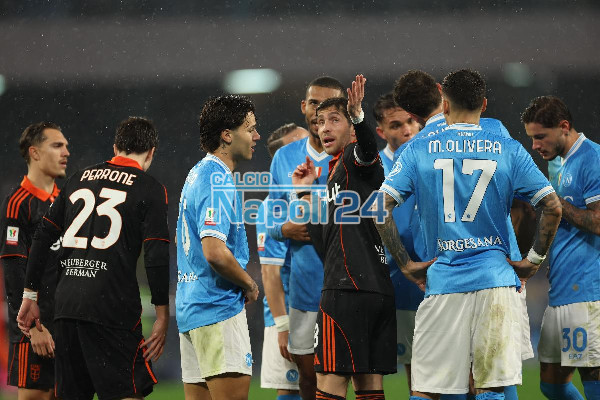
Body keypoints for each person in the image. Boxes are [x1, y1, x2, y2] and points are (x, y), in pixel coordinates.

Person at [377, 69, 562, 400]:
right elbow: (549, 207)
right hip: (497, 278)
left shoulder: (416, 148)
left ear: (445, 103)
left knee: (426, 389)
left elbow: (381, 208)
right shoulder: (504, 142)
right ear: (484, 104)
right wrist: (531, 261)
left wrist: (406, 265)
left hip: (443, 280)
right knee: (493, 385)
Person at [16, 117, 170, 400]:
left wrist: (30, 294)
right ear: (151, 152)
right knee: (126, 393)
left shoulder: (78, 179)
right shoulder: (150, 188)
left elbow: (42, 236)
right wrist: (162, 314)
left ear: (115, 147)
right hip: (112, 307)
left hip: (67, 306)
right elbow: (156, 253)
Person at [292, 75, 396, 400]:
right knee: (368, 386)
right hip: (375, 288)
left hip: (346, 290)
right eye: (320, 121)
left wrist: (359, 116)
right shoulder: (338, 174)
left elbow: (368, 149)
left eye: (334, 120)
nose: (324, 128)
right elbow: (325, 242)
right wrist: (305, 194)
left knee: (328, 380)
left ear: (351, 128)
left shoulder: (354, 159)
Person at [175, 95, 260, 400]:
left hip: (192, 308)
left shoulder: (197, 173)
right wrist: (249, 284)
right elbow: (214, 251)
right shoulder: (217, 179)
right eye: (250, 129)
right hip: (216, 309)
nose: (256, 136)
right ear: (227, 135)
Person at [268, 76, 345, 400]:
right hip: (304, 289)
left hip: (346, 287)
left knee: (350, 378)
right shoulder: (284, 158)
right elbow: (271, 220)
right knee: (308, 381)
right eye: (314, 103)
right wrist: (284, 229)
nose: (319, 112)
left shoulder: (352, 157)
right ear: (304, 107)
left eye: (329, 106)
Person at [523, 96, 600, 400]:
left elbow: (598, 222)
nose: (534, 145)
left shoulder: (592, 158)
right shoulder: (557, 163)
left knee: (592, 378)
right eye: (531, 137)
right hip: (562, 288)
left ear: (564, 127)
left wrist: (555, 202)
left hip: (588, 290)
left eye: (540, 136)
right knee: (551, 385)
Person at [0, 122, 69, 399]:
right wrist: (32, 330)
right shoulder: (18, 203)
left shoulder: (65, 201)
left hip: (64, 325)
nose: (66, 152)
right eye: (57, 145)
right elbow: (14, 271)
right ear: (35, 153)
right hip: (36, 330)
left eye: (66, 146)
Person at [373, 93, 425, 392]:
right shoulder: (373, 168)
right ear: (381, 131)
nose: (407, 130)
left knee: (465, 371)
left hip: (442, 273)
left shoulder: (434, 157)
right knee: (416, 371)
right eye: (396, 125)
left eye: (411, 121)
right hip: (398, 282)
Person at [259, 123, 308, 400]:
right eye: (298, 144)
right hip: (288, 314)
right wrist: (282, 326)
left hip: (316, 308)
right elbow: (270, 272)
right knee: (290, 389)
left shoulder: (316, 195)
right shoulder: (272, 208)